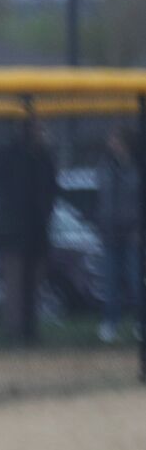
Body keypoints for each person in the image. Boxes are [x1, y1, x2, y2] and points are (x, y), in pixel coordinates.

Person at [0, 116, 59, 343]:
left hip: (37, 231)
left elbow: (52, 190)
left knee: (34, 283)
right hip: (12, 233)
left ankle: (30, 328)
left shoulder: (43, 156)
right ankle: (14, 329)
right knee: (14, 283)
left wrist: (44, 212)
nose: (41, 132)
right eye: (37, 128)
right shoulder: (7, 154)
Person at [95, 126, 141, 344]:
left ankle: (140, 322)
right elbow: (103, 199)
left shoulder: (137, 166)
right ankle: (110, 323)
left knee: (136, 279)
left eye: (115, 139)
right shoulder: (106, 166)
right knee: (110, 280)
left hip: (134, 233)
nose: (112, 144)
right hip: (110, 233)